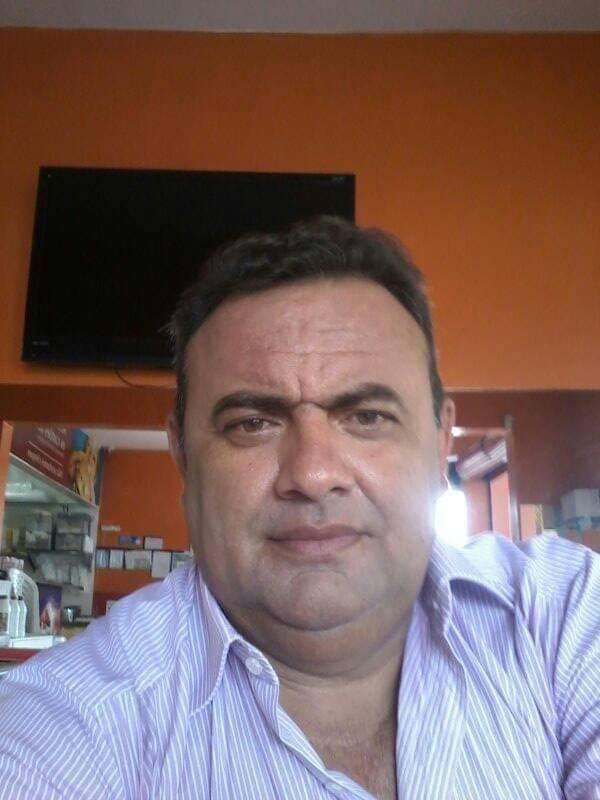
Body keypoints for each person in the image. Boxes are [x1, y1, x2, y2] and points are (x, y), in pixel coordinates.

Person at [0, 217, 598, 799]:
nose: (312, 476)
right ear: (183, 453)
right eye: (252, 423)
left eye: (367, 417)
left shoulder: (558, 615)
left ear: (441, 441)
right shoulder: (57, 731)